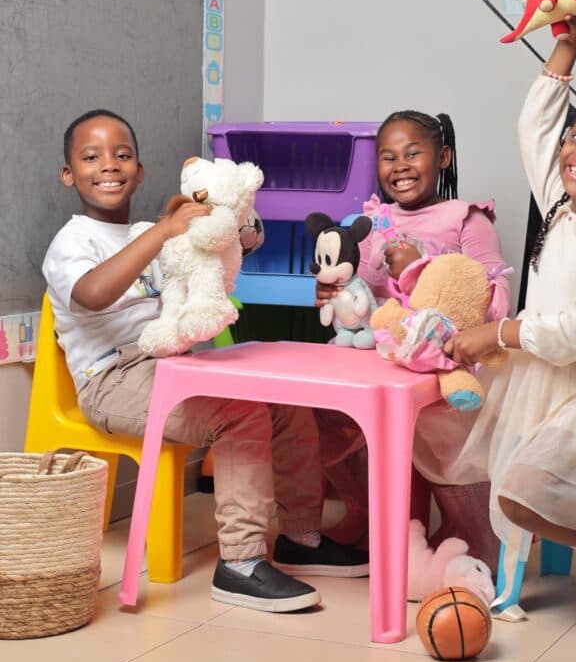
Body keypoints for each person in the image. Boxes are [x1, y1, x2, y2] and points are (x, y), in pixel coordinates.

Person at [43, 109, 369, 614]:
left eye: (122, 155)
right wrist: (164, 231)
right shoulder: (73, 241)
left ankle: (300, 537)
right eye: (91, 157)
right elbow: (92, 293)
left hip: (168, 363)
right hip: (110, 379)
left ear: (141, 170)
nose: (109, 165)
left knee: (281, 399)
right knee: (237, 414)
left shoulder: (154, 233)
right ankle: (239, 563)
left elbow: (214, 260)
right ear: (69, 173)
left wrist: (232, 228)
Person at [437, 18, 576, 639]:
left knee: (522, 487)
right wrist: (569, 38)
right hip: (539, 375)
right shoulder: (559, 201)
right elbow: (534, 123)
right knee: (498, 480)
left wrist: (503, 333)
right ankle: (518, 571)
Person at [315, 109, 513, 572]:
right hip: (383, 357)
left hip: (446, 363)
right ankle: (364, 512)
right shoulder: (373, 221)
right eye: (388, 157)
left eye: (412, 153)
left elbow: (494, 301)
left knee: (439, 427)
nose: (399, 166)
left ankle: (476, 534)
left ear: (441, 157)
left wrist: (414, 269)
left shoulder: (466, 218)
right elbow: (358, 291)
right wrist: (332, 290)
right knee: (319, 411)